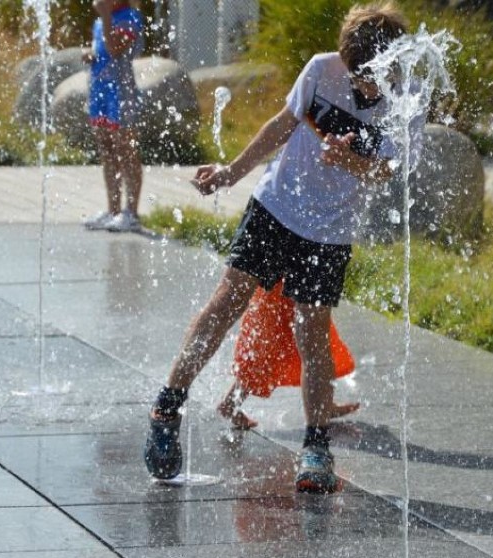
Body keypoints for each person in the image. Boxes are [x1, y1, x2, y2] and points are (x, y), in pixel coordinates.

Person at [144, 1, 417, 493]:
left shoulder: (407, 99)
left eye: (374, 77)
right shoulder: (321, 70)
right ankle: (166, 410)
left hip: (331, 231)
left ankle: (315, 448)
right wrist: (231, 171)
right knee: (225, 305)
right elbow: (281, 124)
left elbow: (391, 172)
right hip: (276, 209)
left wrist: (351, 163)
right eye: (356, 75)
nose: (364, 86)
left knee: (311, 332)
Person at [218, 280, 360, 430]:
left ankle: (325, 405)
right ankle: (230, 403)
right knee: (271, 348)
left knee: (316, 339)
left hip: (289, 279)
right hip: (285, 280)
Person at [82, 0, 145, 233]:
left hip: (121, 92)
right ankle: (113, 210)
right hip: (100, 91)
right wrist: (90, 54)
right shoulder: (100, 20)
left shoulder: (130, 17)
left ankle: (132, 213)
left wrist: (107, 15)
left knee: (125, 149)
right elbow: (103, 50)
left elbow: (115, 49)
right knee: (107, 149)